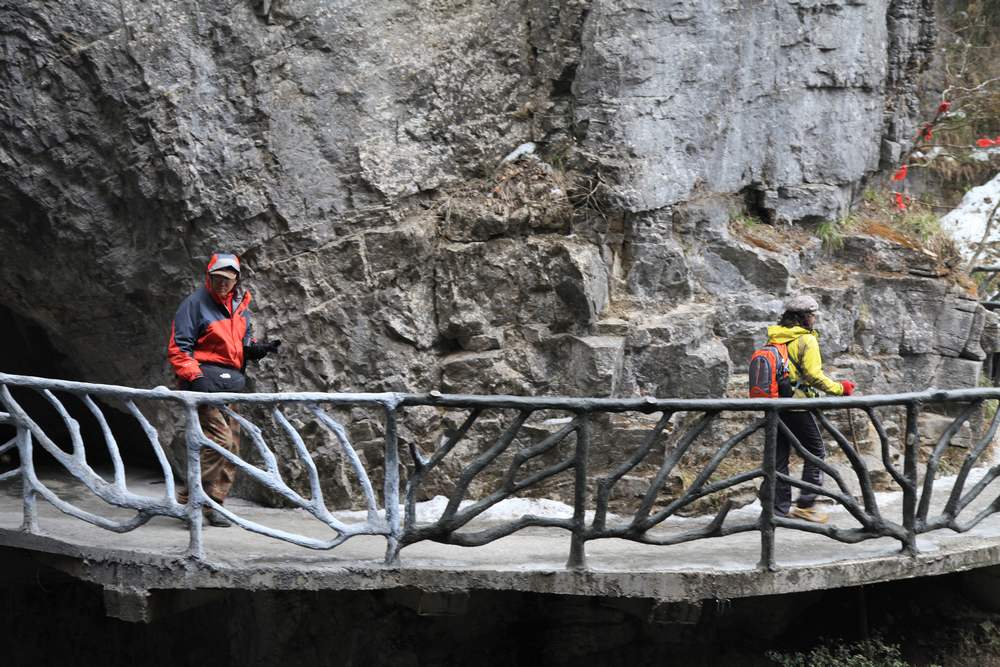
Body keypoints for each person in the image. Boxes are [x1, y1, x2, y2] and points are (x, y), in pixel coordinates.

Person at [167, 252, 280, 527]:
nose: (222, 284)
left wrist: (253, 350)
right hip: (205, 384)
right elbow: (178, 348)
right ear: (208, 277)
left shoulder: (241, 307)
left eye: (227, 279)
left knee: (234, 446)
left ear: (237, 279)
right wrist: (196, 378)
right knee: (220, 441)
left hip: (230, 386)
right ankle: (192, 496)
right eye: (217, 278)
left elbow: (240, 343)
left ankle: (214, 504)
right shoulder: (194, 305)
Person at [765, 294, 855, 523]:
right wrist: (839, 388)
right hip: (798, 405)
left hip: (774, 405)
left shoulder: (775, 338)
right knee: (815, 453)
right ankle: (806, 504)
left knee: (779, 458)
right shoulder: (806, 340)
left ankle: (777, 509)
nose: (815, 319)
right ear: (804, 317)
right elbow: (813, 376)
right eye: (813, 315)